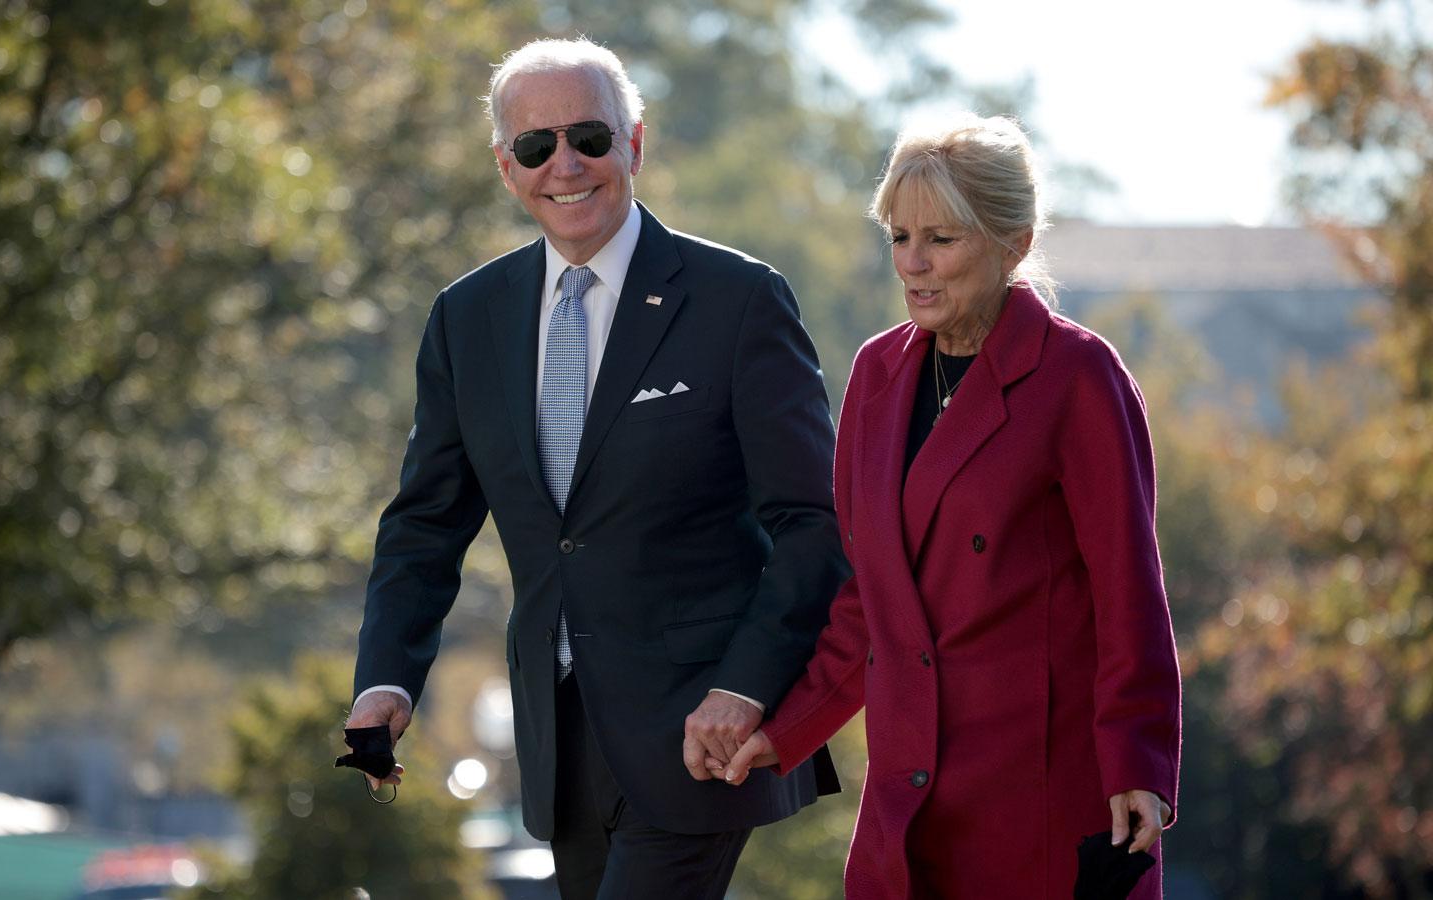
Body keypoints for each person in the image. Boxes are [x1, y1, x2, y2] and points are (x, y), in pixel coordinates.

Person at [345, 37, 848, 900]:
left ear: (635, 145)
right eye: (537, 147)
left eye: (589, 137)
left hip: (702, 731)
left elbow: (814, 523)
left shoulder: (739, 300)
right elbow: (426, 523)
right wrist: (387, 677)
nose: (565, 165)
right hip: (557, 737)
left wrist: (746, 686)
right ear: (508, 168)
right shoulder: (466, 318)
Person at [712, 114, 1182, 898]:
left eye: (943, 239)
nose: (915, 265)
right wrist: (783, 732)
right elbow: (868, 601)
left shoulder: (1079, 375)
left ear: (1015, 243)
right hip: (908, 803)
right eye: (899, 238)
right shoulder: (876, 375)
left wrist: (1140, 764)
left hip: (1039, 796)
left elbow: (1128, 592)